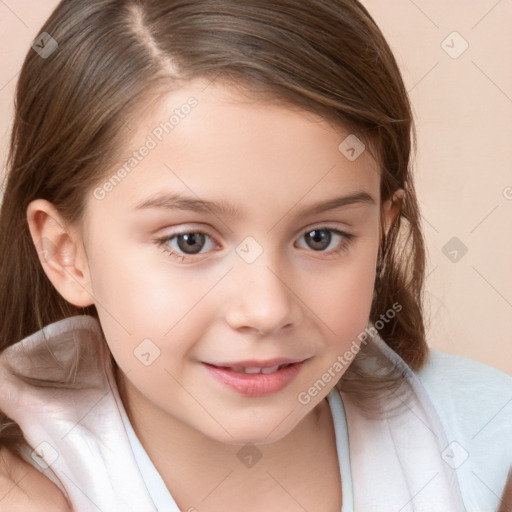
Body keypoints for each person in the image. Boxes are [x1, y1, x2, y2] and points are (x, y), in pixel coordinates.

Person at [0, 0, 510, 510]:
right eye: (190, 241)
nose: (267, 310)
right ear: (66, 252)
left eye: (320, 237)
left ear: (380, 232)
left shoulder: (488, 445)